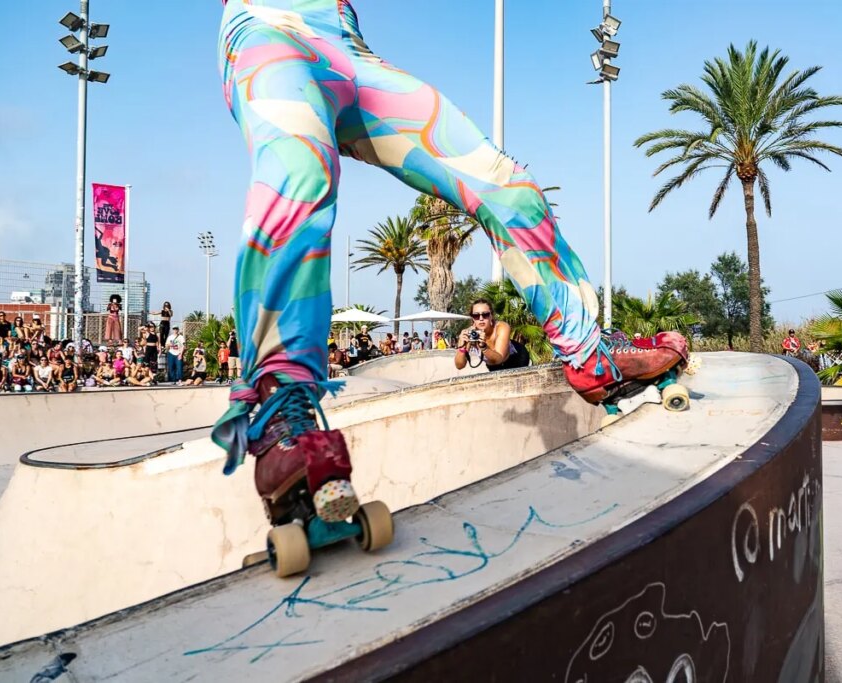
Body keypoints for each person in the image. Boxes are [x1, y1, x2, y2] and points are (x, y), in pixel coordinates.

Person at [211, 0, 688, 530]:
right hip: (268, 35)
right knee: (300, 169)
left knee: (509, 188)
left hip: (348, 53)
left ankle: (587, 353)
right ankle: (283, 409)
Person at [454, 299, 531, 372]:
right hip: (493, 365)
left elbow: (499, 359)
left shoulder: (501, 327)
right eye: (476, 315)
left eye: (485, 315)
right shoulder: (470, 334)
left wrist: (484, 347)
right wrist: (462, 348)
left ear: (491, 316)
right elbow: (459, 366)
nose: (481, 318)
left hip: (517, 359)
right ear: (472, 318)